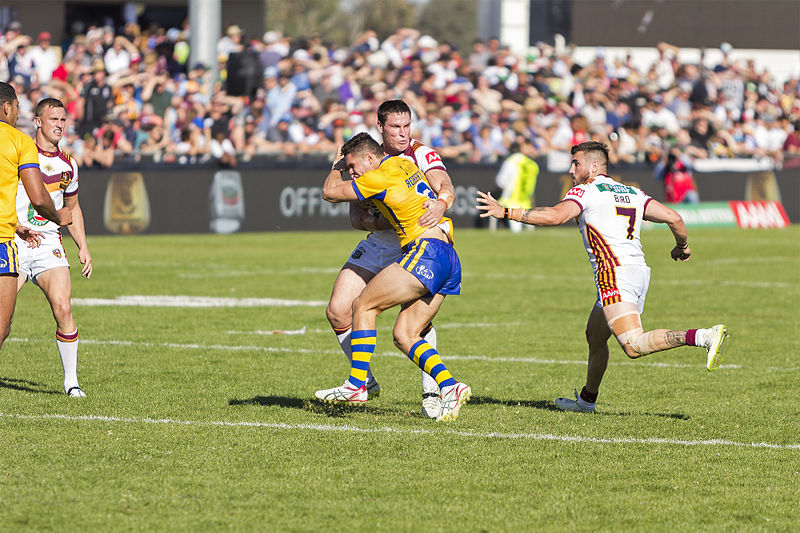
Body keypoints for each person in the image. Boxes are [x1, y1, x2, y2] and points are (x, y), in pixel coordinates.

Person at [476, 141, 728, 413]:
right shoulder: (632, 192)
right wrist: (682, 247)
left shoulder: (586, 191)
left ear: (594, 166)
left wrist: (505, 212)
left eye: (576, 163)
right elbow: (674, 217)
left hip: (614, 275)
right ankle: (586, 401)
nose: (571, 170)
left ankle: (703, 336)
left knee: (633, 345)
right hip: (637, 272)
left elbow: (555, 217)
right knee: (595, 335)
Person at [316, 132, 471, 422]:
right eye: (348, 168)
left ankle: (357, 385)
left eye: (354, 166)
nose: (352, 172)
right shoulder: (405, 164)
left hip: (425, 251)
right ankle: (451, 387)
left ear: (370, 158)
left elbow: (329, 193)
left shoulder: (379, 176)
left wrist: (336, 162)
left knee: (363, 305)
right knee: (405, 335)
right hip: (448, 254)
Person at [15, 97, 92, 397]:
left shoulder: (68, 164)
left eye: (63, 119)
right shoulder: (21, 153)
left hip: (48, 244)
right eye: (53, 119)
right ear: (37, 122)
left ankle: (71, 382)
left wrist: (83, 246)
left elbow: (72, 208)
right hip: (16, 241)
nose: (59, 124)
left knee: (63, 307)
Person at [0, 82, 72, 356]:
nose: (18, 111)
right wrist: (59, 217)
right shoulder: (21, 142)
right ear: (7, 107)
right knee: (2, 326)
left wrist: (17, 225)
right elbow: (40, 199)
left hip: (15, 233)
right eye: (17, 106)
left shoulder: (66, 162)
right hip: (4, 242)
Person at [490, 139, 539, 232]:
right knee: (530, 231)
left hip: (510, 200)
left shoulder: (511, 161)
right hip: (526, 202)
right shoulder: (533, 164)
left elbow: (500, 181)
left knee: (516, 231)